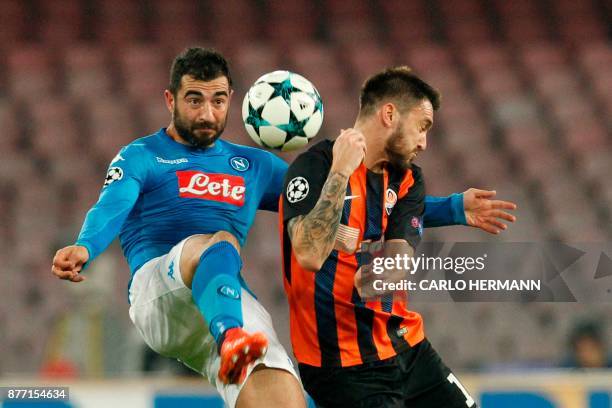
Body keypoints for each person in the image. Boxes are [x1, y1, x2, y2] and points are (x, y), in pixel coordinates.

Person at [52, 48, 513, 407]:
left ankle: (235, 339)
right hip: (161, 290)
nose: (208, 113)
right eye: (194, 100)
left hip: (222, 294)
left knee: (282, 391)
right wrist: (85, 247)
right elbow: (112, 203)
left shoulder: (251, 165)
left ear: (232, 99)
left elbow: (356, 206)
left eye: (217, 100)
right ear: (171, 100)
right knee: (215, 242)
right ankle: (233, 336)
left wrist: (452, 207)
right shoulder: (142, 156)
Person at [280, 66, 512, 407]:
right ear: (389, 114)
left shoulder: (407, 180)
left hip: (406, 346)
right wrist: (341, 171)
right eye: (422, 126)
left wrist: (389, 270)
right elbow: (309, 255)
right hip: (342, 366)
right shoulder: (313, 167)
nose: (424, 142)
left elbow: (401, 249)